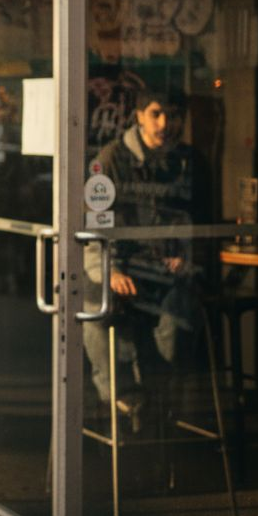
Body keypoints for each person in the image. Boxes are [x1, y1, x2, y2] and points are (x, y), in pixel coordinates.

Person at [83, 88, 212, 429]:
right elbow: (93, 228)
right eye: (156, 113)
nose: (164, 123)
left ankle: (162, 400)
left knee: (177, 320)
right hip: (122, 266)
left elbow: (206, 225)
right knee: (95, 309)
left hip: (170, 272)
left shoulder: (191, 162)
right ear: (139, 116)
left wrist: (187, 257)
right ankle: (123, 397)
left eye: (173, 115)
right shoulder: (112, 159)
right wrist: (111, 271)